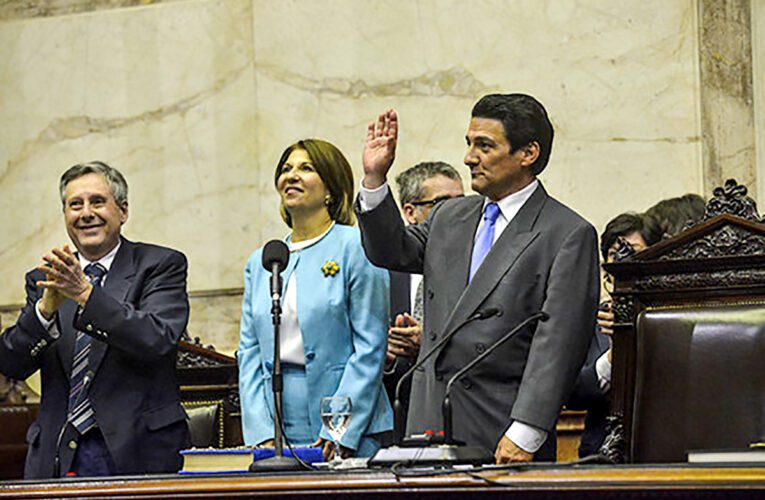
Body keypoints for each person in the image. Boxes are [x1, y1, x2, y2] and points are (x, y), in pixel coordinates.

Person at [356, 94, 600, 463]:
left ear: (528, 153)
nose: (470, 157)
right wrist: (375, 178)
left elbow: (560, 345)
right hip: (428, 420)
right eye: (469, 144)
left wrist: (527, 432)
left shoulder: (566, 232)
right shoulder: (449, 216)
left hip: (501, 428)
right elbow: (390, 251)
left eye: (484, 146)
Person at [0, 161, 190, 478]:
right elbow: (12, 364)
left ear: (123, 211)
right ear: (65, 216)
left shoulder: (160, 264)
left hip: (139, 453)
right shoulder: (46, 279)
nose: (86, 213)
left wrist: (86, 295)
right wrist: (43, 313)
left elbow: (157, 338)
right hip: (58, 456)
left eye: (97, 202)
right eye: (75, 205)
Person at [238, 139, 392, 460]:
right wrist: (262, 432)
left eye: (305, 168)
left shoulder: (358, 246)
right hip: (278, 424)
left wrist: (339, 426)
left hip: (349, 424)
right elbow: (249, 353)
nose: (291, 176)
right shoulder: (262, 260)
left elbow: (370, 346)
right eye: (286, 169)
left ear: (330, 189)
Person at [567, 212, 660, 458]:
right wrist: (612, 357)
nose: (623, 261)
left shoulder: (669, 317)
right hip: (600, 452)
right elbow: (573, 393)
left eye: (634, 251)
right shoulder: (590, 318)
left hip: (660, 447)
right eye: (615, 253)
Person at [384, 161, 464, 419]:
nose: (457, 213)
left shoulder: (476, 266)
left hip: (456, 408)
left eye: (462, 202)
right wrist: (384, 357)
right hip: (394, 410)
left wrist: (428, 343)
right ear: (410, 212)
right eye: (442, 204)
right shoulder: (382, 271)